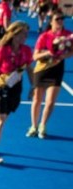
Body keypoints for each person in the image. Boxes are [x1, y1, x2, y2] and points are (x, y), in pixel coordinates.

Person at [0, 21, 33, 164]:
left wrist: (33, 86)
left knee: (3, 120)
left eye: (26, 34)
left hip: (15, 88)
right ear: (14, 34)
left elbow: (29, 69)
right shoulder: (2, 51)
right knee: (0, 120)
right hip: (1, 86)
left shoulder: (26, 50)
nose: (25, 37)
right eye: (23, 34)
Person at [27, 10, 73, 139]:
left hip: (57, 69)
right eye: (57, 19)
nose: (60, 21)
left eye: (62, 18)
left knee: (50, 101)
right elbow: (35, 56)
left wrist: (64, 55)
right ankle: (33, 125)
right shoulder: (44, 36)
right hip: (42, 70)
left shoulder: (68, 35)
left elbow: (71, 51)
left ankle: (43, 125)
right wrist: (49, 53)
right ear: (51, 21)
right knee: (37, 100)